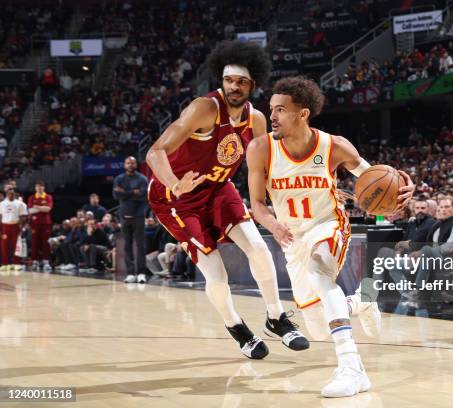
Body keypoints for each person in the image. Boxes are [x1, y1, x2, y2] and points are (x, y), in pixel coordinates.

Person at [246, 76, 413, 398]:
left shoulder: (334, 145)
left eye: (281, 110)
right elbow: (256, 203)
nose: (274, 117)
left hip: (328, 223)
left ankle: (352, 368)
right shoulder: (261, 148)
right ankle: (362, 300)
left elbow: (374, 179)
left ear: (302, 113)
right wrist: (271, 223)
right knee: (318, 328)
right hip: (291, 237)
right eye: (271, 110)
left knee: (320, 270)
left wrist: (402, 190)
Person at [146, 40, 307, 360]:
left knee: (259, 248)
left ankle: (276, 318)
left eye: (242, 82)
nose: (234, 86)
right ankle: (237, 328)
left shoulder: (257, 120)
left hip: (219, 188)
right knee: (216, 273)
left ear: (253, 85)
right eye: (229, 80)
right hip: (175, 198)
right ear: (221, 80)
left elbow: (265, 168)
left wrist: (283, 202)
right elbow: (155, 152)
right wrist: (175, 184)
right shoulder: (203, 108)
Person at [113, 156, 149, 284]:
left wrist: (125, 193)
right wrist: (133, 192)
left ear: (136, 164)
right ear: (124, 165)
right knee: (127, 246)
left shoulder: (142, 179)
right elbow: (116, 195)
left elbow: (142, 196)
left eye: (132, 162)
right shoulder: (119, 179)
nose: (130, 165)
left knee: (140, 246)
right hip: (124, 215)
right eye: (128, 163)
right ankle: (130, 273)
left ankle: (141, 273)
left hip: (138, 215)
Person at [27, 181, 53, 272]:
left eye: (41, 186)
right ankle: (35, 261)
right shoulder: (31, 197)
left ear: (44, 188)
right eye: (38, 187)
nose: (39, 188)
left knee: (46, 243)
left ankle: (46, 262)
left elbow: (48, 209)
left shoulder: (48, 197)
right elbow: (30, 210)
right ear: (35, 188)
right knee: (35, 243)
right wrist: (42, 207)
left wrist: (37, 207)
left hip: (46, 223)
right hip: (34, 224)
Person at [0, 187, 28, 271]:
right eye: (9, 193)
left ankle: (16, 264)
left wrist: (21, 227)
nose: (10, 195)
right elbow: (0, 216)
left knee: (16, 245)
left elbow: (23, 216)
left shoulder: (21, 204)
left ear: (15, 194)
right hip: (5, 226)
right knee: (4, 246)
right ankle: (5, 264)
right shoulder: (2, 204)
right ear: (6, 194)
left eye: (12, 193)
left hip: (16, 226)